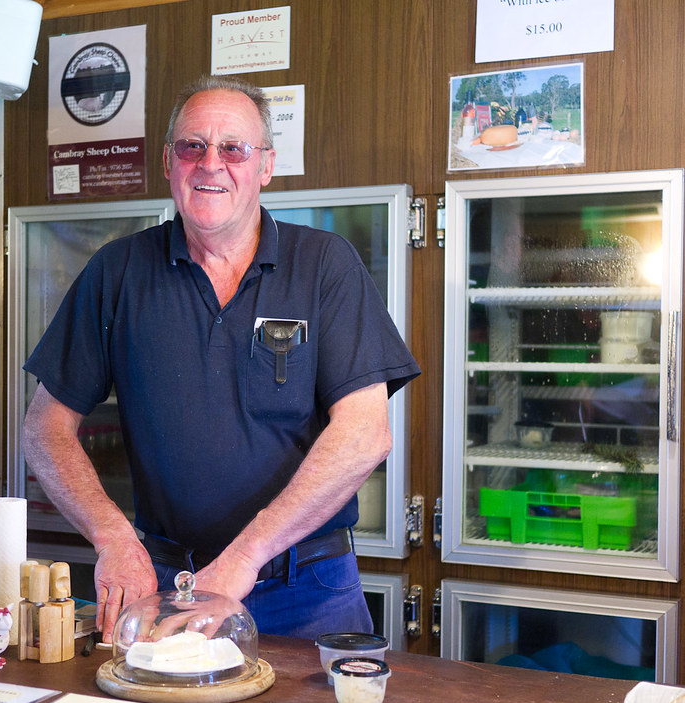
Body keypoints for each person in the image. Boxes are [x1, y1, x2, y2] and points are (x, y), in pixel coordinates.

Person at [22, 75, 420, 640]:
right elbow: (45, 430)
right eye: (192, 146)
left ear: (265, 167)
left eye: (233, 148)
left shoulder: (325, 265)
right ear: (169, 162)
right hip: (164, 588)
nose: (211, 163)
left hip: (307, 591)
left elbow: (364, 433)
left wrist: (244, 557)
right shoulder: (117, 273)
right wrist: (113, 537)